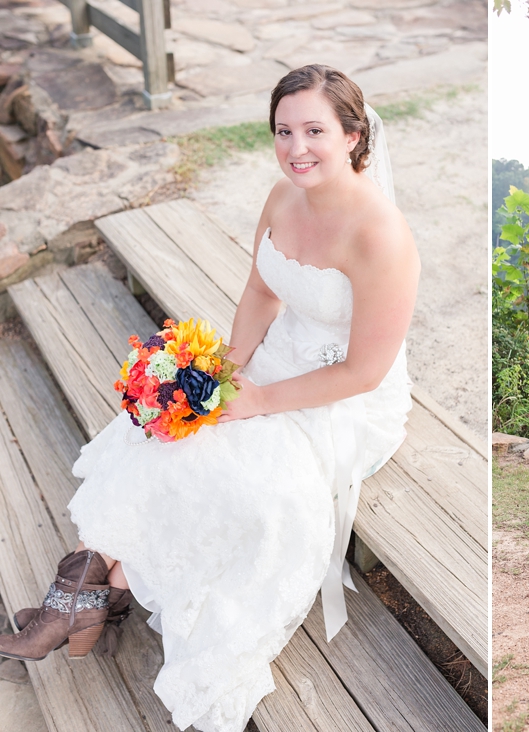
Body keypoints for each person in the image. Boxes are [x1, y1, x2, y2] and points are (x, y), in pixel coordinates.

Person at [0, 65, 419, 732]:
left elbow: (365, 372)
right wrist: (218, 374)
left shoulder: (381, 235)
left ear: (353, 135)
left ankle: (89, 599)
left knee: (235, 474)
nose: (296, 148)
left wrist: (257, 401)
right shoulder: (283, 198)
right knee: (165, 425)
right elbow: (261, 294)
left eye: (315, 130)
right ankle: (82, 596)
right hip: (276, 355)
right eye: (284, 131)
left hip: (340, 394)